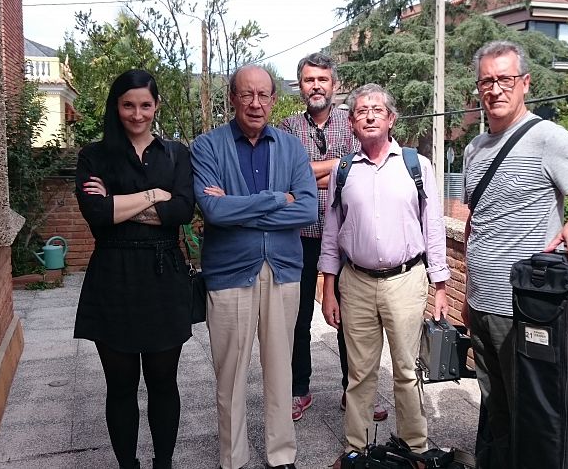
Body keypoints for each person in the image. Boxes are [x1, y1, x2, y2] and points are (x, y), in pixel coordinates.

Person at [462, 40, 568, 467]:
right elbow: (477, 222)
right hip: (482, 303)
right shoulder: (475, 149)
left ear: (525, 83)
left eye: (505, 79)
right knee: (496, 411)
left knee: (534, 418)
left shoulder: (549, 138)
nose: (495, 89)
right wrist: (468, 297)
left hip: (527, 310)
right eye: (487, 80)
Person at [190, 64, 317, 469]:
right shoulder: (207, 147)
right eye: (247, 94)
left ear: (275, 100)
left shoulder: (293, 148)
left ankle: (281, 456)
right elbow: (212, 208)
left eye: (264, 95)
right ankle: (233, 458)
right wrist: (279, 199)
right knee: (230, 376)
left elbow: (309, 209)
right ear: (233, 98)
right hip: (229, 273)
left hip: (283, 271)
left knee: (281, 369)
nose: (256, 103)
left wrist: (237, 206)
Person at [319, 83, 450, 468]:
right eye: (362, 111)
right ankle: (355, 448)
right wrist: (328, 290)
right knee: (359, 374)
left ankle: (415, 446)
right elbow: (331, 236)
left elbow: (434, 229)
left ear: (391, 119)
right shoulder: (343, 172)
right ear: (352, 123)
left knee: (407, 370)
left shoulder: (416, 166)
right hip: (355, 283)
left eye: (378, 109)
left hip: (406, 281)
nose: (370, 115)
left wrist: (440, 286)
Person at [74, 69, 194, 469]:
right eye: (128, 105)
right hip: (113, 278)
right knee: (120, 386)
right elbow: (97, 215)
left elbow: (181, 210)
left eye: (145, 104)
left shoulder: (176, 153)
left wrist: (119, 204)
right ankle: (128, 465)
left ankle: (163, 463)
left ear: (156, 105)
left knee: (163, 383)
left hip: (164, 277)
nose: (137, 113)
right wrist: (152, 196)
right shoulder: (94, 155)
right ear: (117, 106)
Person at [278, 53, 388, 424]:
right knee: (297, 317)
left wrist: (312, 175)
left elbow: (367, 165)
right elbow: (289, 177)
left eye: (322, 80)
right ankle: (298, 389)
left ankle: (353, 391)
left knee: (353, 318)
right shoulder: (288, 128)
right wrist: (341, 166)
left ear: (334, 85)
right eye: (309, 80)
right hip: (300, 236)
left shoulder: (353, 120)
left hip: (347, 237)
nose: (316, 86)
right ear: (301, 86)